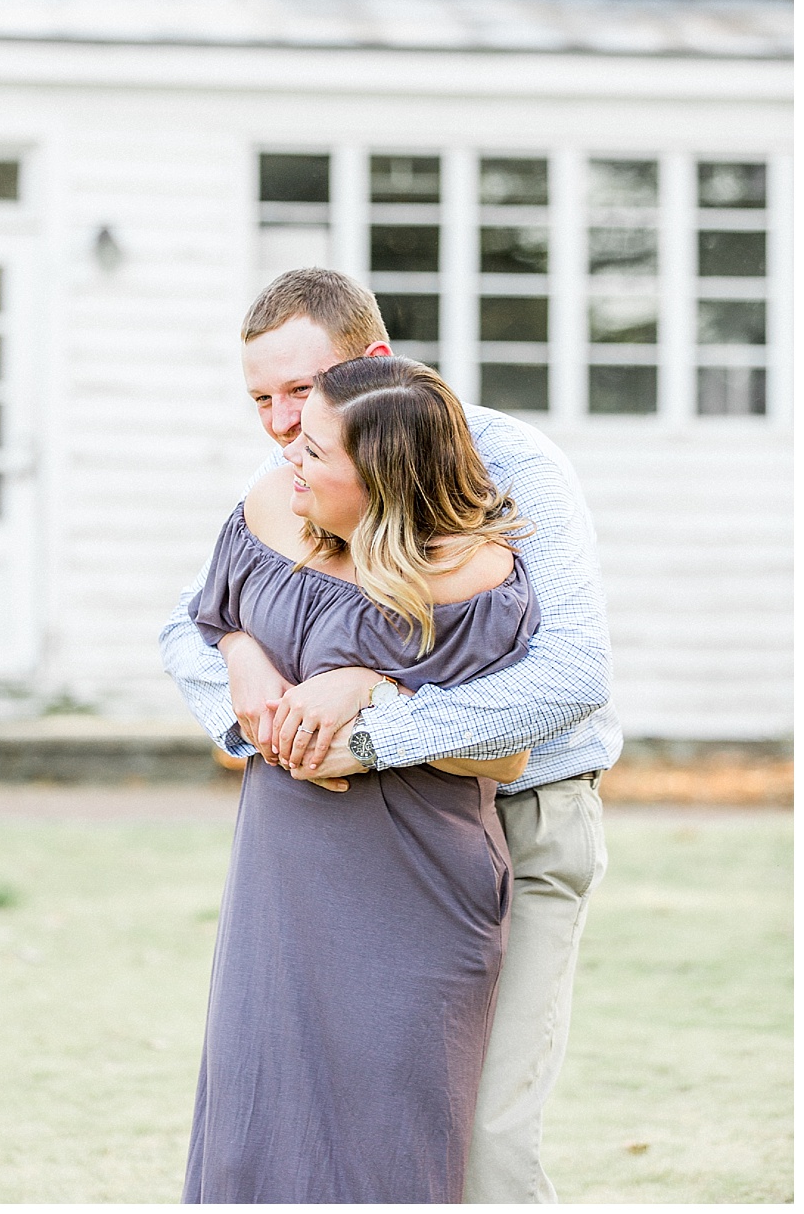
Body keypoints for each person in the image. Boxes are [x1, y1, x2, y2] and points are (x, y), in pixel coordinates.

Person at [161, 268, 619, 1203]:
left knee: (478, 1148)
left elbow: (570, 675)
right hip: (331, 849)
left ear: (376, 366)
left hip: (518, 824)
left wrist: (369, 719)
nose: (285, 424)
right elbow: (193, 622)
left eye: (304, 390)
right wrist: (248, 682)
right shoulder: (297, 479)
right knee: (280, 1122)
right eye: (263, 400)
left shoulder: (509, 465)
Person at [184, 354, 536, 1201]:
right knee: (252, 1128)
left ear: (380, 477)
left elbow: (504, 755)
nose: (289, 460)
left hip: (410, 890)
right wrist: (240, 656)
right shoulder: (272, 511)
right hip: (281, 871)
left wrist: (377, 688)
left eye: (314, 451)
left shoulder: (472, 575)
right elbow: (217, 620)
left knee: (389, 1148)